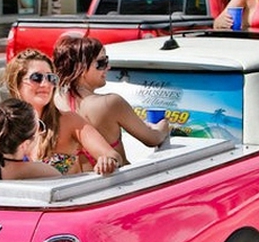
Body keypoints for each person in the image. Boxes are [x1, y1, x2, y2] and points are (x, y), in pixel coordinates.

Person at [0, 48, 122, 175]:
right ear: (17, 83)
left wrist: (108, 161)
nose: (45, 84)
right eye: (37, 77)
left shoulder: (69, 121)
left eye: (51, 78)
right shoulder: (5, 126)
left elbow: (112, 154)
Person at [52, 36, 170, 167]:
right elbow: (152, 139)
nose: (108, 67)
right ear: (81, 68)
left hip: (81, 178)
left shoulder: (54, 102)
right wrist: (163, 126)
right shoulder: (110, 103)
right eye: (102, 63)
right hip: (119, 178)